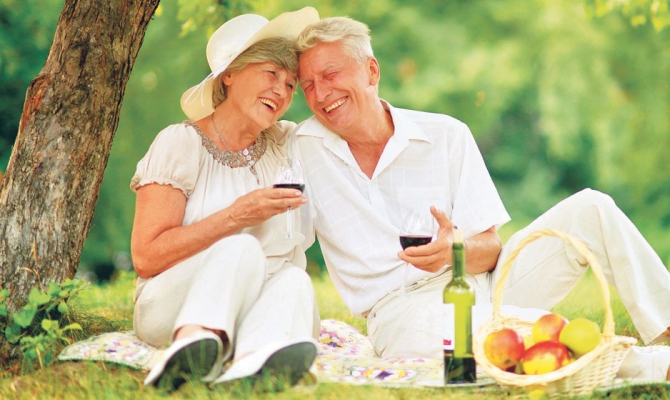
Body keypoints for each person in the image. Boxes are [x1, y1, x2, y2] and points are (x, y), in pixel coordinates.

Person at [293, 16, 670, 382]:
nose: (320, 94)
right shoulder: (299, 149)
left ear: (371, 71)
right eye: (307, 84)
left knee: (591, 208)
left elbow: (490, 249)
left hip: (485, 283)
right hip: (403, 311)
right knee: (510, 333)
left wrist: (453, 250)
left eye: (330, 75)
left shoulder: (446, 135)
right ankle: (648, 366)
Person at [129, 7, 321, 390]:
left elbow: (345, 131)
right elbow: (146, 258)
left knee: (295, 280)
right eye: (271, 74)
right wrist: (235, 216)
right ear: (229, 74)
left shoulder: (285, 144)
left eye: (290, 85)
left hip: (255, 304)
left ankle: (251, 364)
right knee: (242, 248)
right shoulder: (180, 144)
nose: (281, 91)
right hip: (173, 305)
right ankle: (193, 344)